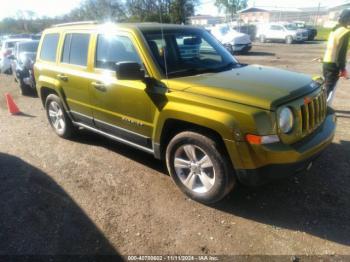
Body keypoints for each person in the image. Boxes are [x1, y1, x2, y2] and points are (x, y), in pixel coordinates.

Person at [323, 9, 350, 104]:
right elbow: (341, 53)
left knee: (325, 88)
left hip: (326, 62)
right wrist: (342, 69)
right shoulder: (344, 32)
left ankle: (321, 107)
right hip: (334, 64)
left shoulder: (334, 29)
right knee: (327, 90)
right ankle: (318, 110)